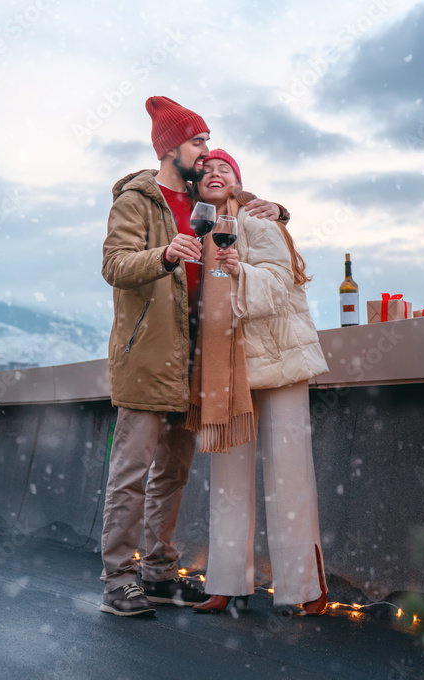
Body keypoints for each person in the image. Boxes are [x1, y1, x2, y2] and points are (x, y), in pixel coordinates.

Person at [99, 98, 288, 617]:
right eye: (199, 142)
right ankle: (119, 580)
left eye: (207, 143)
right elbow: (113, 264)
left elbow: (238, 198)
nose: (206, 154)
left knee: (172, 473)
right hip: (147, 353)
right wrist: (163, 255)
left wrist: (276, 208)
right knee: (131, 471)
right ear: (170, 147)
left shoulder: (195, 195)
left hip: (193, 359)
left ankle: (158, 573)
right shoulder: (138, 200)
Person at [184, 148, 330, 617]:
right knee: (227, 480)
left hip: (278, 360)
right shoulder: (195, 230)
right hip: (226, 369)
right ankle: (226, 583)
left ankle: (305, 588)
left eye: (224, 169)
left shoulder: (260, 220)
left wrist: (238, 269)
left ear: (238, 181)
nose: (215, 173)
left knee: (290, 476)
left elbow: (279, 283)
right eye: (206, 170)